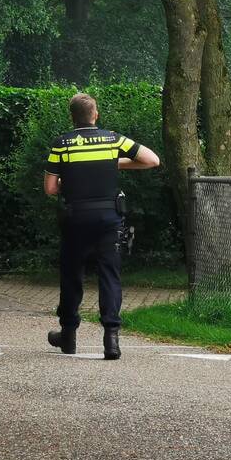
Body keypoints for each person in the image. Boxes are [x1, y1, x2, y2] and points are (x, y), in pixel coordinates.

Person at [44, 93, 160, 358]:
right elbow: (152, 160)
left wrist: (71, 179)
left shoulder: (61, 144)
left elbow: (50, 188)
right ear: (95, 115)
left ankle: (68, 336)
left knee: (71, 275)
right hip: (109, 219)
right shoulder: (112, 139)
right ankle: (111, 340)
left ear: (72, 117)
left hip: (76, 219)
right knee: (109, 275)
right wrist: (115, 164)